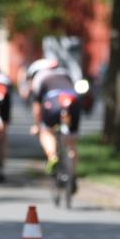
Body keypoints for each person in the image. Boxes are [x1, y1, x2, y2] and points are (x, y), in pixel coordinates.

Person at [25, 57, 82, 188]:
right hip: (73, 101)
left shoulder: (39, 78)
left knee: (46, 131)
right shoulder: (66, 73)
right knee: (71, 143)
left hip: (53, 102)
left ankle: (52, 156)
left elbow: (37, 107)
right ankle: (72, 175)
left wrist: (37, 125)